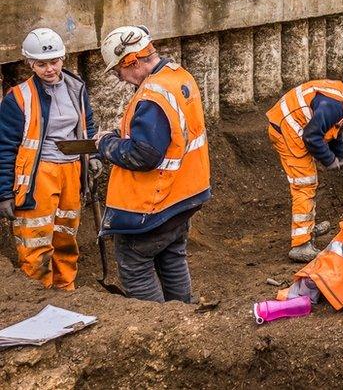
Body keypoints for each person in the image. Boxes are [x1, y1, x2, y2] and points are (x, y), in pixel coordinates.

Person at [94, 25, 210, 303]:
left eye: (118, 71)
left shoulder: (152, 96)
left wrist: (106, 143)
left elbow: (142, 156)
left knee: (135, 264)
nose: (121, 79)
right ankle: (182, 314)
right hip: (185, 195)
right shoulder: (178, 76)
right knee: (171, 254)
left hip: (154, 204)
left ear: (130, 62)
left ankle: (156, 324)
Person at [0, 28, 100, 290]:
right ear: (29, 63)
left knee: (66, 235)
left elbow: (86, 124)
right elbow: (5, 147)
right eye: (41, 64)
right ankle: (39, 296)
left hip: (71, 171)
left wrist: (91, 157)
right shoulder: (19, 98)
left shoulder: (76, 88)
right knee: (36, 241)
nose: (49, 69)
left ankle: (66, 290)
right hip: (37, 176)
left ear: (63, 59)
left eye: (54, 62)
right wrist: (4, 193)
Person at [266, 76, 343, 262]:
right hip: (287, 129)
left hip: (292, 124)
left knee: (309, 181)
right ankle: (301, 244)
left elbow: (337, 130)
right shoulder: (334, 105)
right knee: (304, 184)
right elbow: (312, 136)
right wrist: (329, 160)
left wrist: (340, 155)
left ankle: (307, 228)